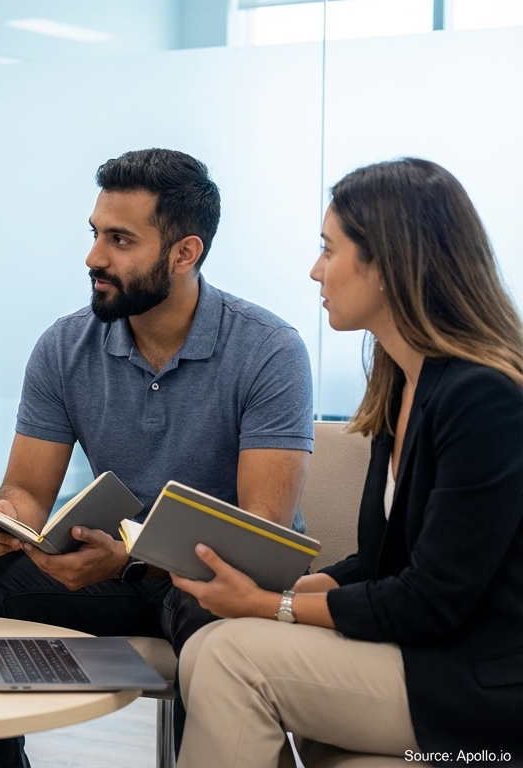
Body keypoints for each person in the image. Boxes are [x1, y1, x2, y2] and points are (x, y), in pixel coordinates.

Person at [0, 148, 314, 767]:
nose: (95, 257)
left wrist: (134, 560)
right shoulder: (64, 346)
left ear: (184, 253)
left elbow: (264, 533)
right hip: (115, 575)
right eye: (95, 234)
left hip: (214, 581)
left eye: (120, 240)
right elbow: (28, 492)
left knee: (213, 626)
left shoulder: (269, 350)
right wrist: (0, 520)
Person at [174, 158, 523, 767]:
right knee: (207, 647)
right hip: (427, 654)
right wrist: (305, 585)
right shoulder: (404, 382)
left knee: (233, 655)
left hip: (477, 684)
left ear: (387, 264)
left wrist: (271, 605)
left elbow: (431, 598)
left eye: (328, 250)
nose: (315, 271)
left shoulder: (483, 397)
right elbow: (389, 556)